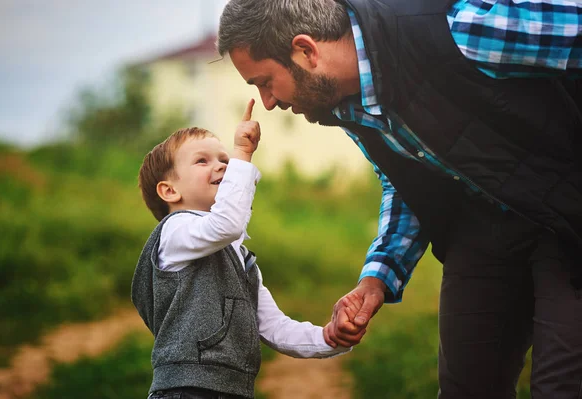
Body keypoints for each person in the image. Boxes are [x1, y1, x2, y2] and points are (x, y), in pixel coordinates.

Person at [217, 0, 582, 397]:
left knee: (560, 386)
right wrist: (377, 277)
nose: (268, 102)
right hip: (481, 230)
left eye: (265, 82)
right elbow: (408, 181)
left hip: (568, 219)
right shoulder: (345, 105)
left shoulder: (458, 30)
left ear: (306, 51)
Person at [131, 100, 352, 399]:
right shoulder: (174, 232)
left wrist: (329, 338)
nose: (222, 165)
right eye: (202, 161)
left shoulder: (239, 258)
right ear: (170, 190)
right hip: (184, 390)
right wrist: (242, 154)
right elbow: (226, 224)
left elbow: (274, 327)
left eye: (224, 159)